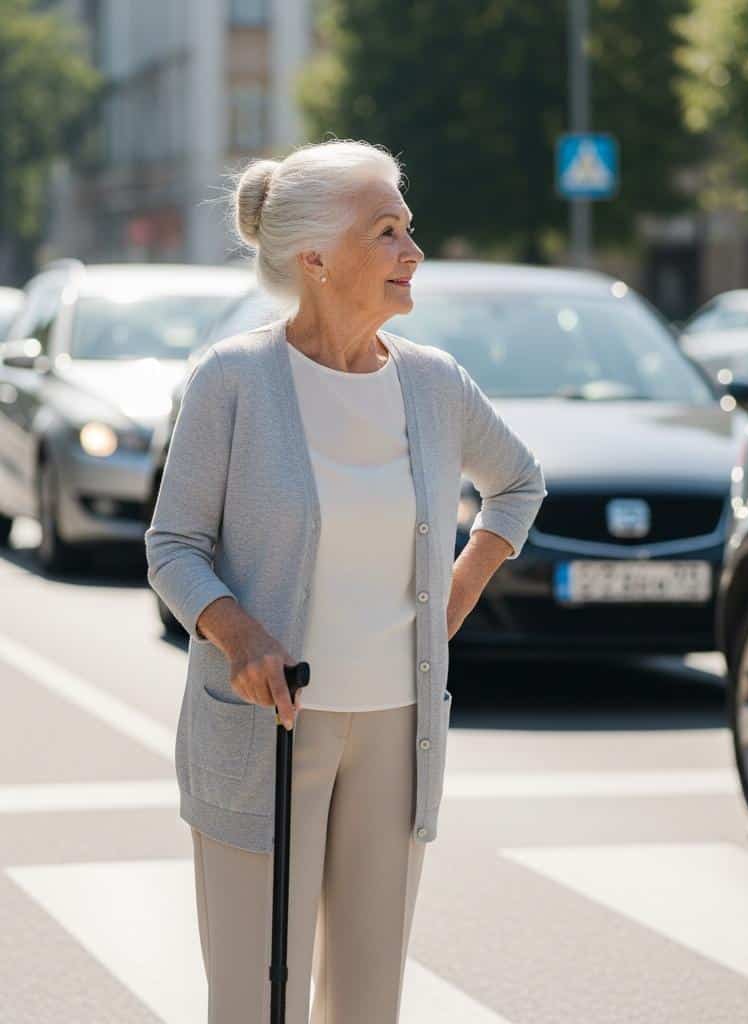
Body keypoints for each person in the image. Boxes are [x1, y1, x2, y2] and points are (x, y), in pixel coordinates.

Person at [144, 138, 546, 1023]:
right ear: (315, 258)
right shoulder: (235, 380)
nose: (414, 252)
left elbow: (518, 481)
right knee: (254, 1000)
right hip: (265, 727)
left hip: (397, 730)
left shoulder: (434, 384)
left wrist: (455, 595)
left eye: (409, 229)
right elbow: (172, 546)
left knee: (367, 1003)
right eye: (389, 232)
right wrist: (240, 635)